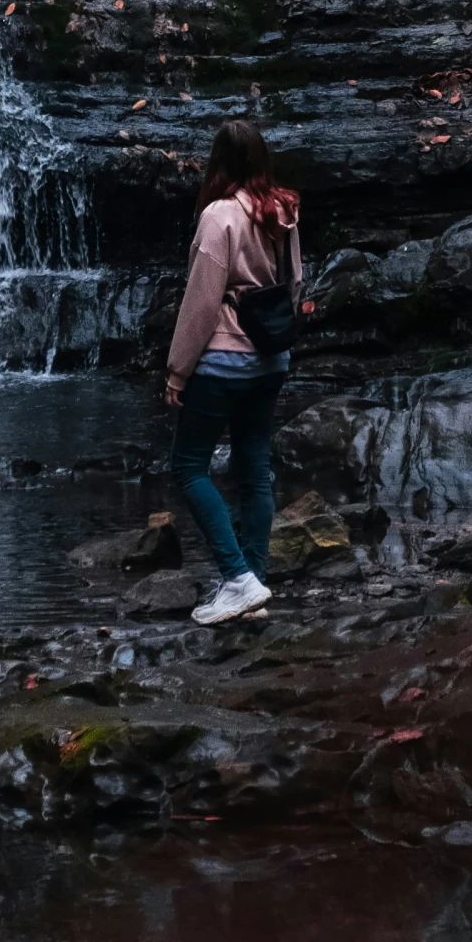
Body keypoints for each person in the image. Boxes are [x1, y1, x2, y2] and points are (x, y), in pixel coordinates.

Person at [164, 118, 302, 626]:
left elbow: (200, 304)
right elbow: (294, 285)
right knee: (253, 467)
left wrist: (178, 372)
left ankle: (239, 577)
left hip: (223, 358)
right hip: (271, 359)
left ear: (219, 164)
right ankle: (253, 583)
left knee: (188, 466)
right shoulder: (284, 210)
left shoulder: (218, 216)